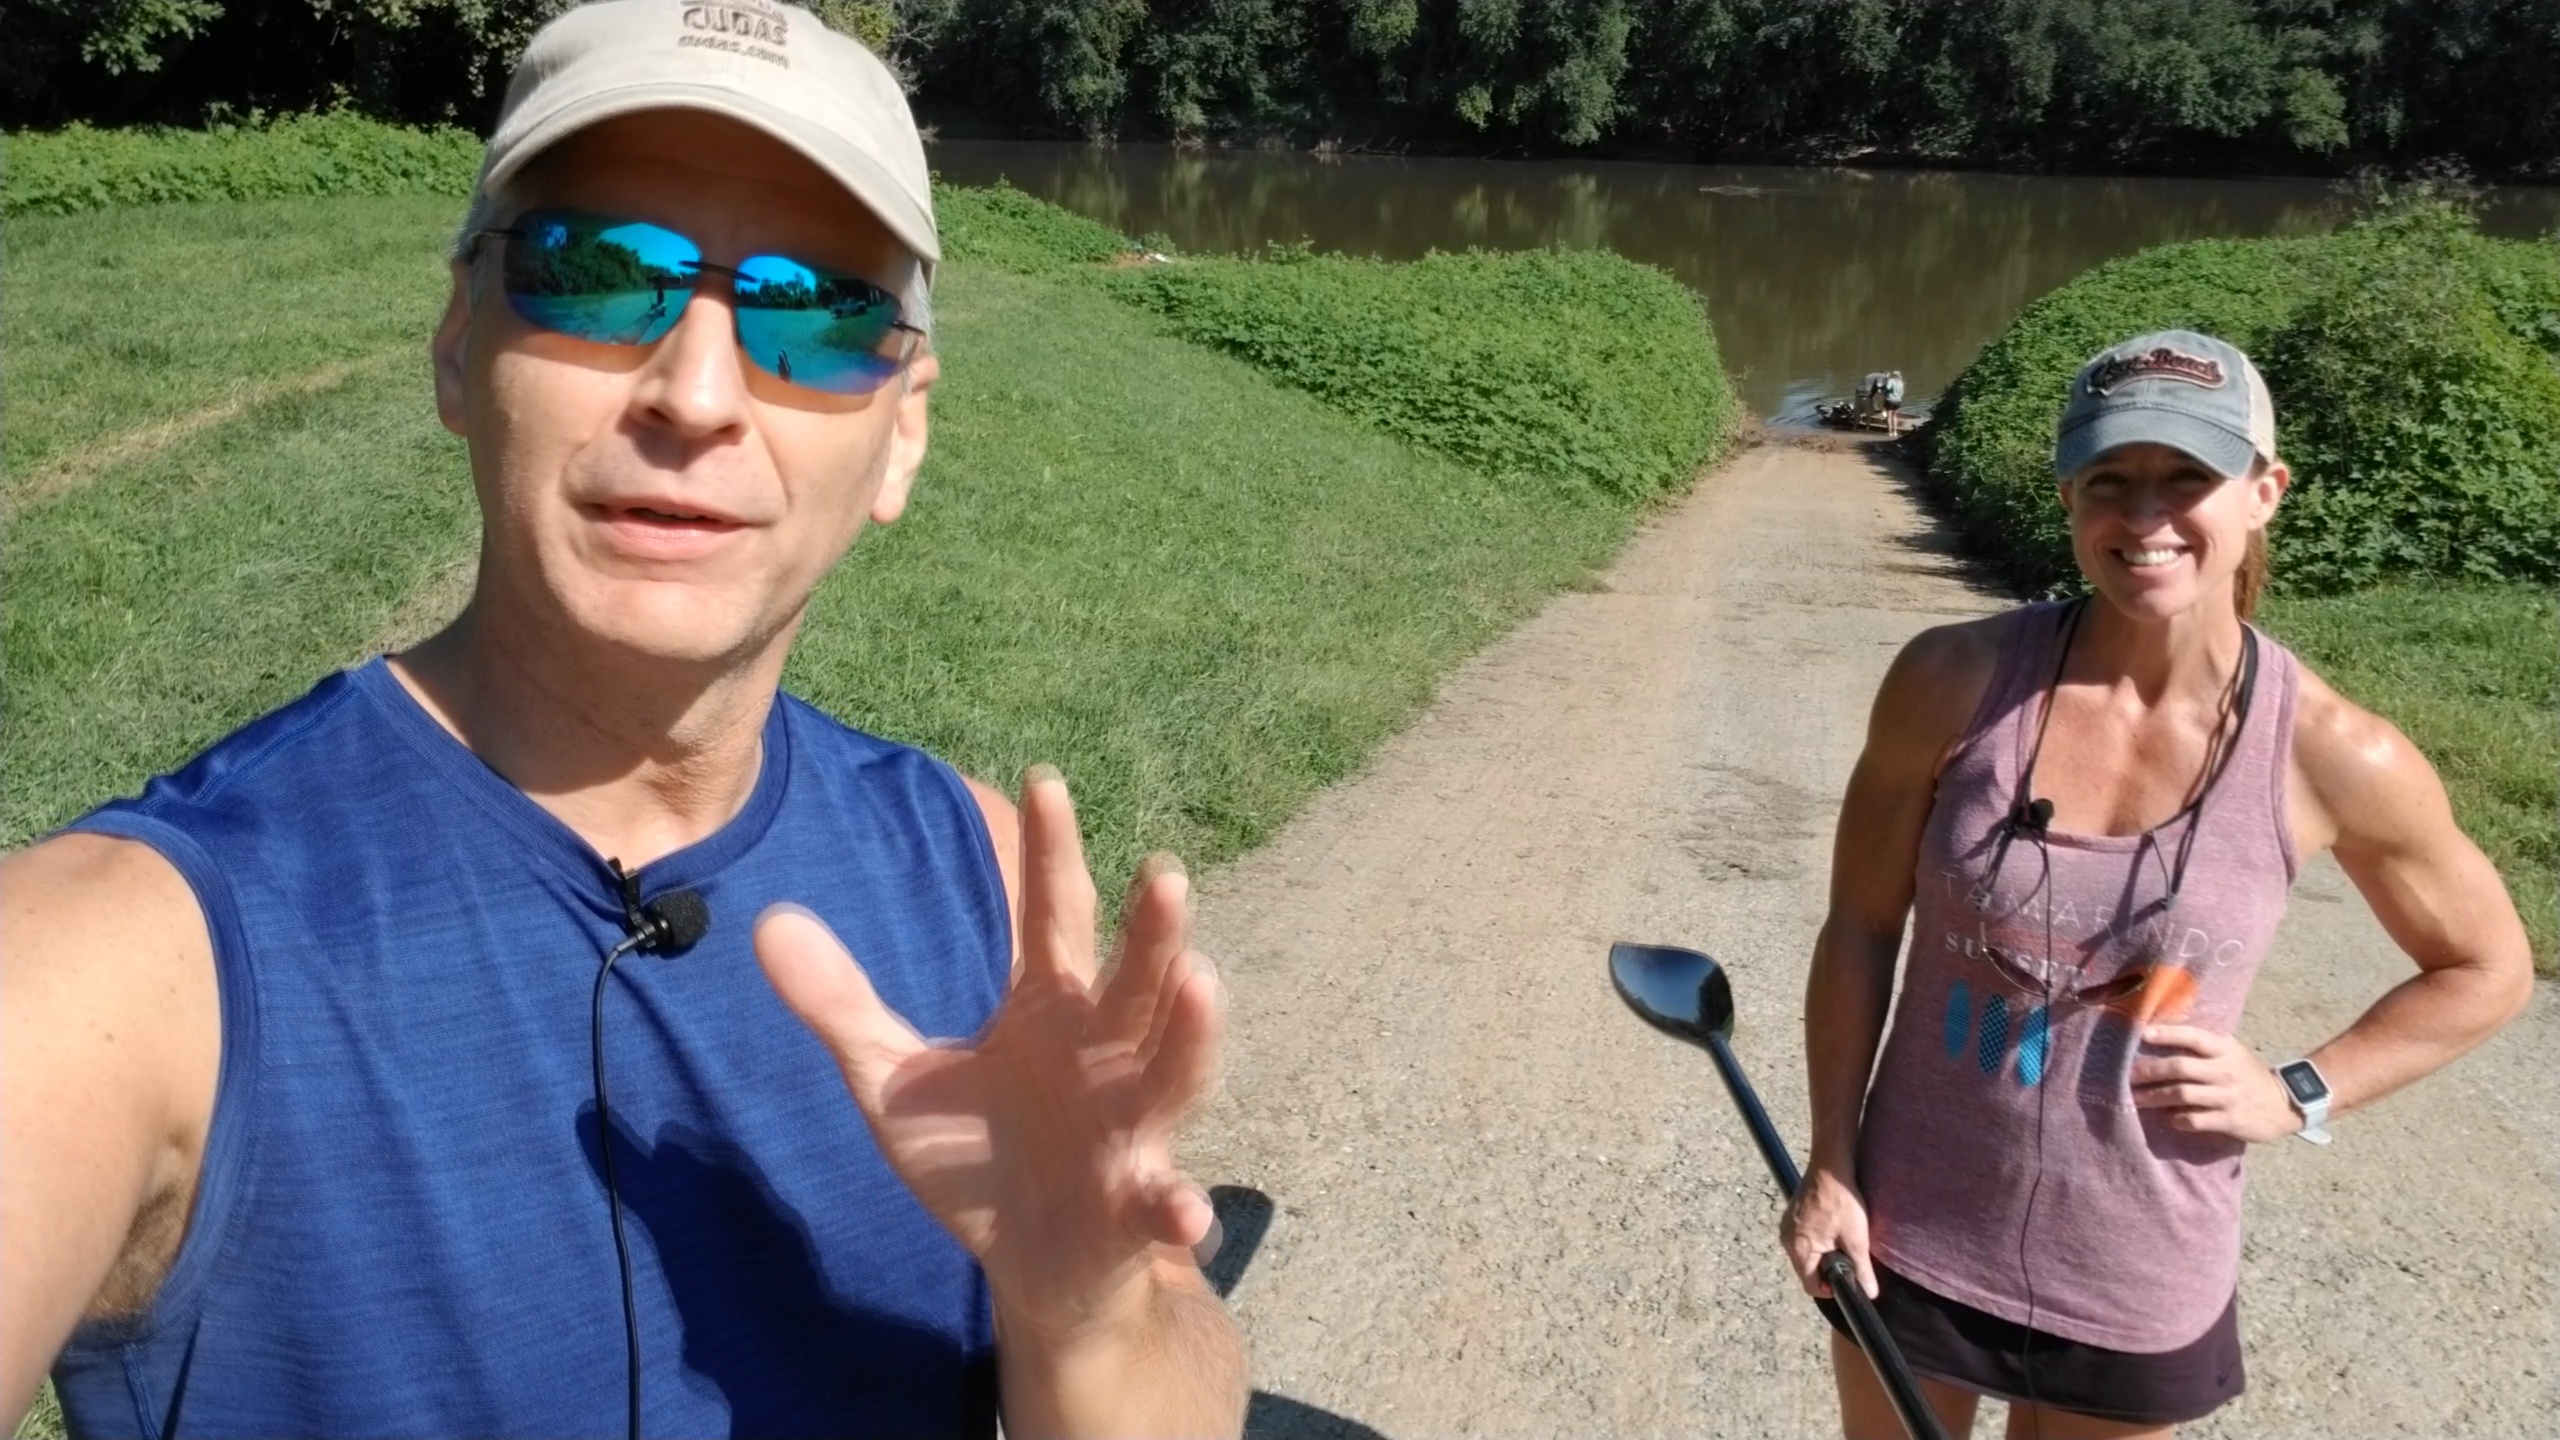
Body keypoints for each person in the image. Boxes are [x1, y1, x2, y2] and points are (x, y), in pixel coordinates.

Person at [0, 4, 1246, 1436]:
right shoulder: (130, 964)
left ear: (901, 430)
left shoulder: (981, 876)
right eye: (596, 273)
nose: (696, 396)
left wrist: (1090, 1317)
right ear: (461, 342)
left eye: (817, 311)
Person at [1784, 330, 2532, 1440]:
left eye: (2187, 476)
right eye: (2109, 480)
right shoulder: (1952, 681)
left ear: (2264, 493)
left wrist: (2297, 1091)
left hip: (2134, 1266)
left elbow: (2487, 966)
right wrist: (1831, 1162)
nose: (2145, 518)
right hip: (1905, 1228)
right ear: (2068, 497)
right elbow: (1858, 926)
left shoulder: (2333, 754)